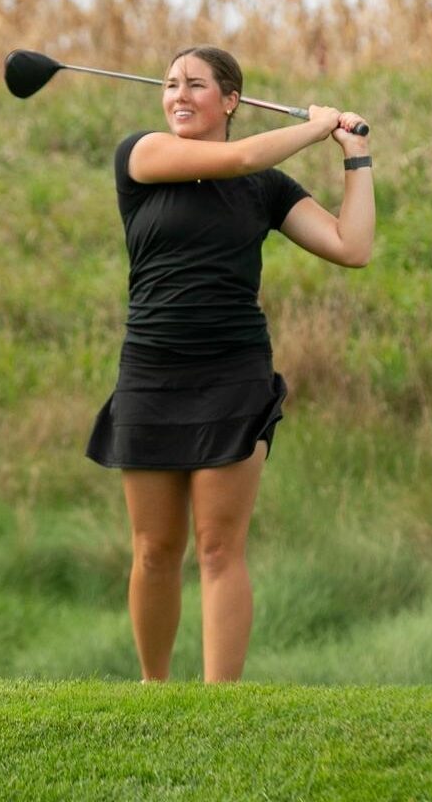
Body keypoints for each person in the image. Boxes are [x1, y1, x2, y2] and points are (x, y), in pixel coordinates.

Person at [85, 44, 375, 683]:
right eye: (170, 85)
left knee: (220, 549)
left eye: (195, 85)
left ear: (231, 100)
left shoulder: (265, 188)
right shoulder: (142, 155)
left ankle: (221, 704)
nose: (178, 96)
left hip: (233, 372)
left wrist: (357, 158)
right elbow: (238, 154)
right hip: (152, 373)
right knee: (155, 550)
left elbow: (351, 247)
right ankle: (153, 690)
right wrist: (315, 124)